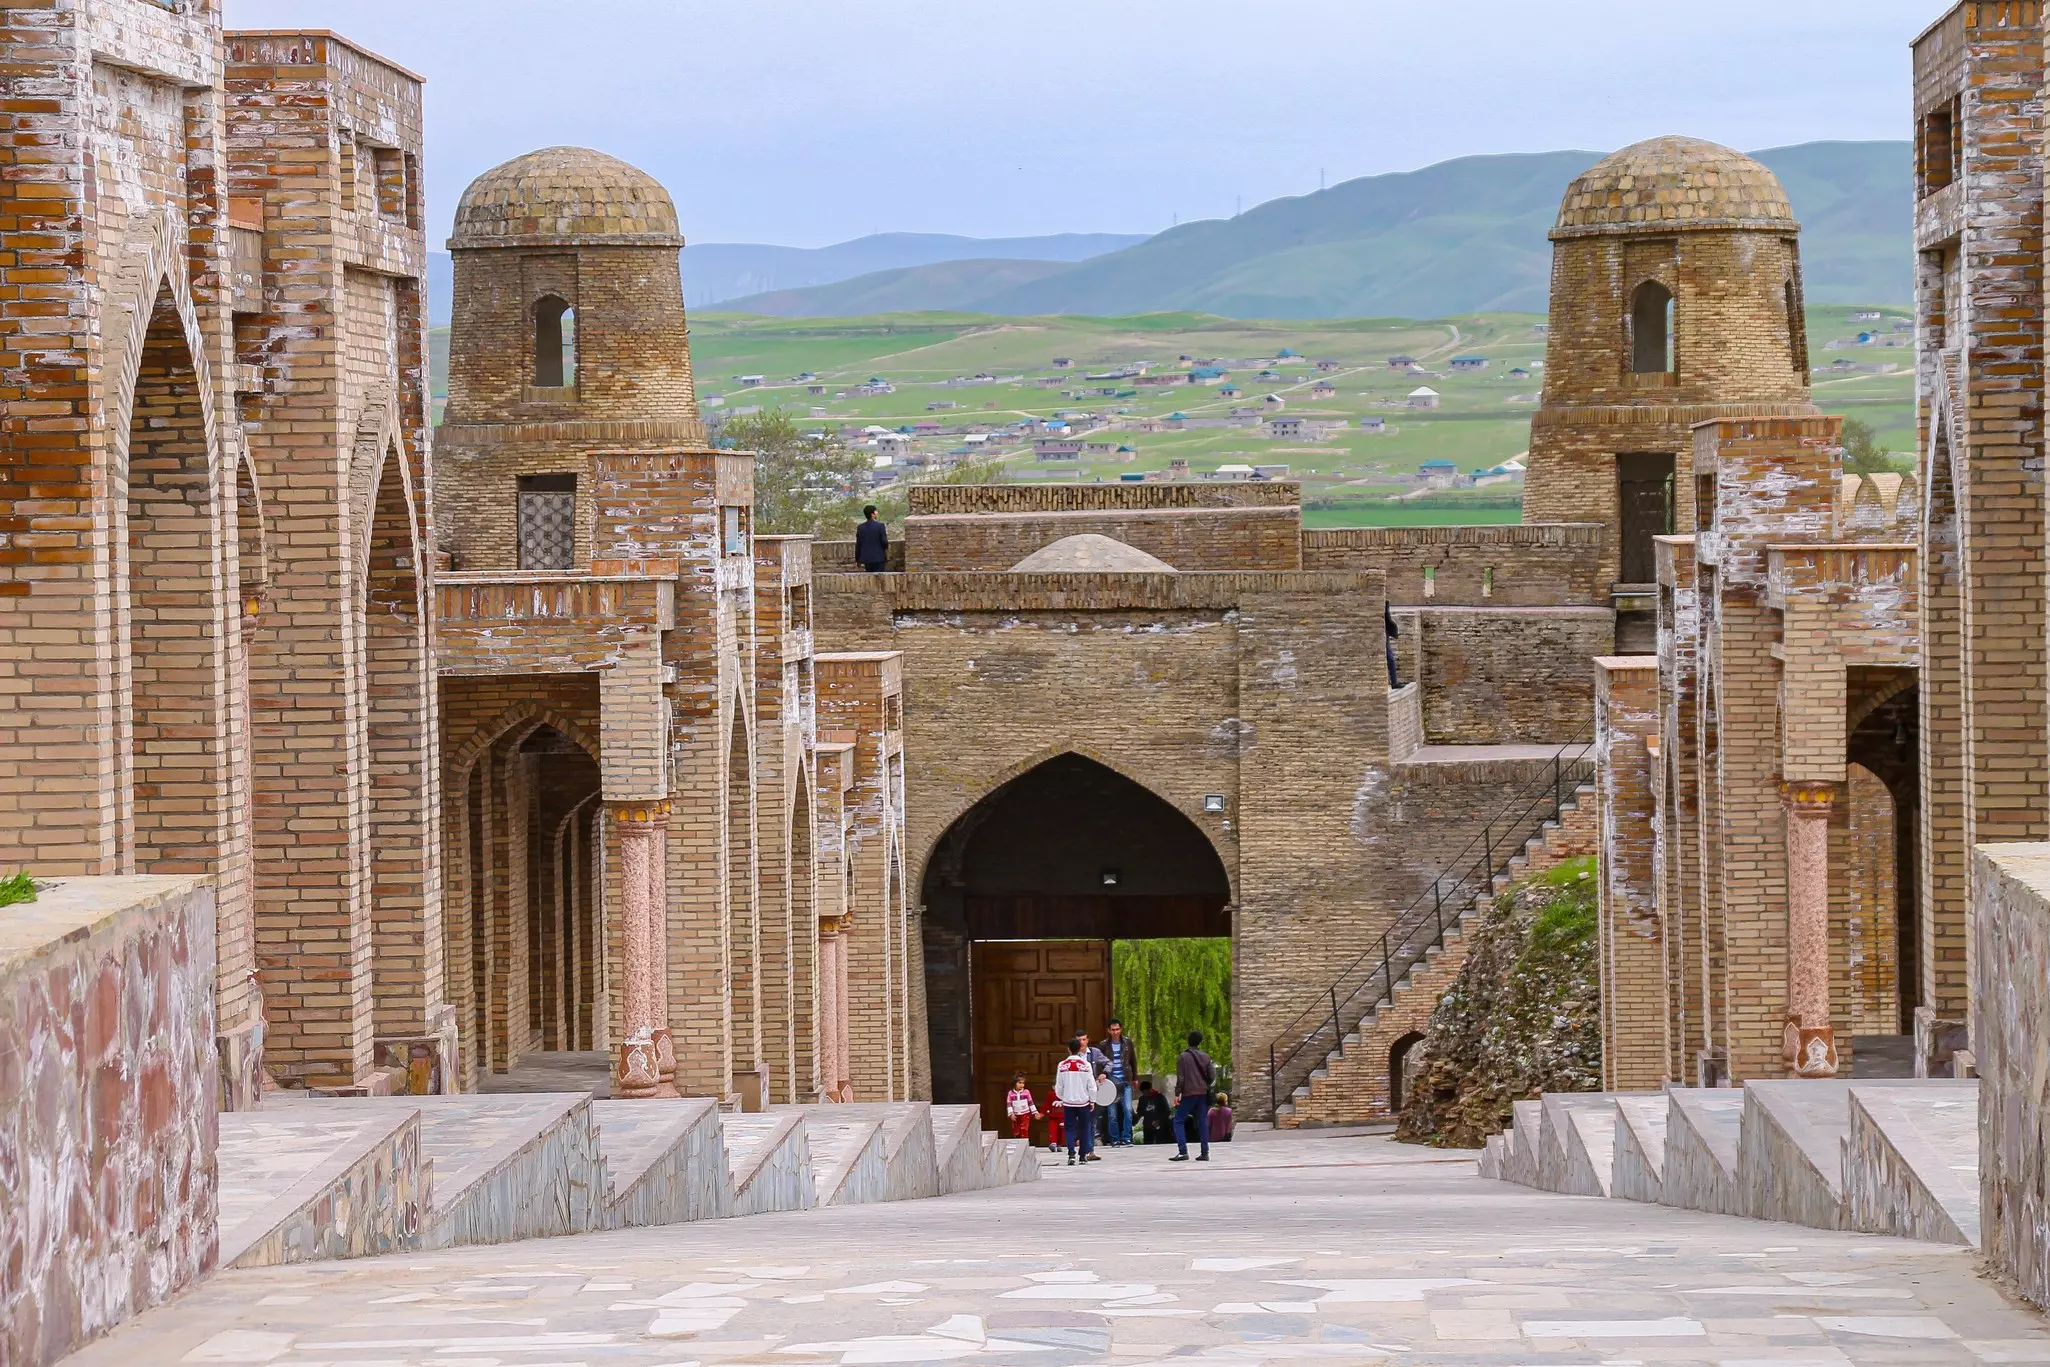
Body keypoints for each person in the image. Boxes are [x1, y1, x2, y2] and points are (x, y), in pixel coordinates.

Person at [1170, 1029, 1215, 1163]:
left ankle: (1183, 1151)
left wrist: (1177, 1094)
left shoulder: (1183, 1057)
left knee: (1178, 1120)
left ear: (1188, 1041)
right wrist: (1204, 1084)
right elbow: (1212, 1075)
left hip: (1189, 1093)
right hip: (1202, 1093)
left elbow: (1181, 1078)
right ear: (1200, 1042)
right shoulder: (1206, 1057)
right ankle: (1205, 1152)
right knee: (1202, 1122)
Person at [1053, 1036, 1098, 1165]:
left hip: (1068, 1102)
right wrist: (1092, 1100)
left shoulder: (1062, 1065)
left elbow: (1059, 1086)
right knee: (1084, 1128)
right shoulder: (1086, 1065)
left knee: (1069, 1128)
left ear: (1068, 1049)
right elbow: (1091, 1085)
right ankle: (1083, 1155)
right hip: (1083, 1101)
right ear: (1079, 1049)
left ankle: (1071, 1154)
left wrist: (1063, 1097)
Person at [1100, 1019, 1139, 1147]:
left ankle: (1126, 1137)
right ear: (1109, 1030)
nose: (1115, 1032)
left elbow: (1133, 1060)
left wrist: (1135, 1077)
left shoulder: (1127, 1042)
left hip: (1125, 1080)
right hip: (1111, 1082)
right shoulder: (1104, 1045)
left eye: (1117, 1029)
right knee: (1112, 1113)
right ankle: (1115, 1139)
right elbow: (1100, 1064)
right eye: (1113, 1030)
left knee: (1128, 1109)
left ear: (1121, 1029)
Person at [1135, 1078, 1172, 1145]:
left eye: (1146, 1092)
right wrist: (1135, 1121)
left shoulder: (1160, 1097)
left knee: (1161, 1143)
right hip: (1147, 1126)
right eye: (1143, 1092)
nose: (1145, 1094)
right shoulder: (1142, 1099)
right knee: (1147, 1144)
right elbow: (1140, 1112)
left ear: (1150, 1089)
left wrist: (1159, 1120)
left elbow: (1167, 1111)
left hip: (1160, 1126)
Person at [1006, 1072, 1040, 1142]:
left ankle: (1025, 1144)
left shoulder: (1026, 1092)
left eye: (1023, 1083)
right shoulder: (1010, 1093)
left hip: (1025, 1114)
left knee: (1024, 1129)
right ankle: (1018, 1144)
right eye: (1019, 1083)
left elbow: (1031, 1103)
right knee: (1016, 1131)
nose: (1022, 1085)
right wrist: (1011, 1113)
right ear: (1015, 1083)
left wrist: (1035, 1112)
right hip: (1015, 1115)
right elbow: (1009, 1104)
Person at [855, 505, 888, 573]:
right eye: (875, 511)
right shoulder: (880, 526)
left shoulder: (860, 527)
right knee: (880, 580)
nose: (877, 513)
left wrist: (857, 559)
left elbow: (858, 545)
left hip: (866, 559)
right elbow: (884, 542)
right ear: (872, 514)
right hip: (879, 558)